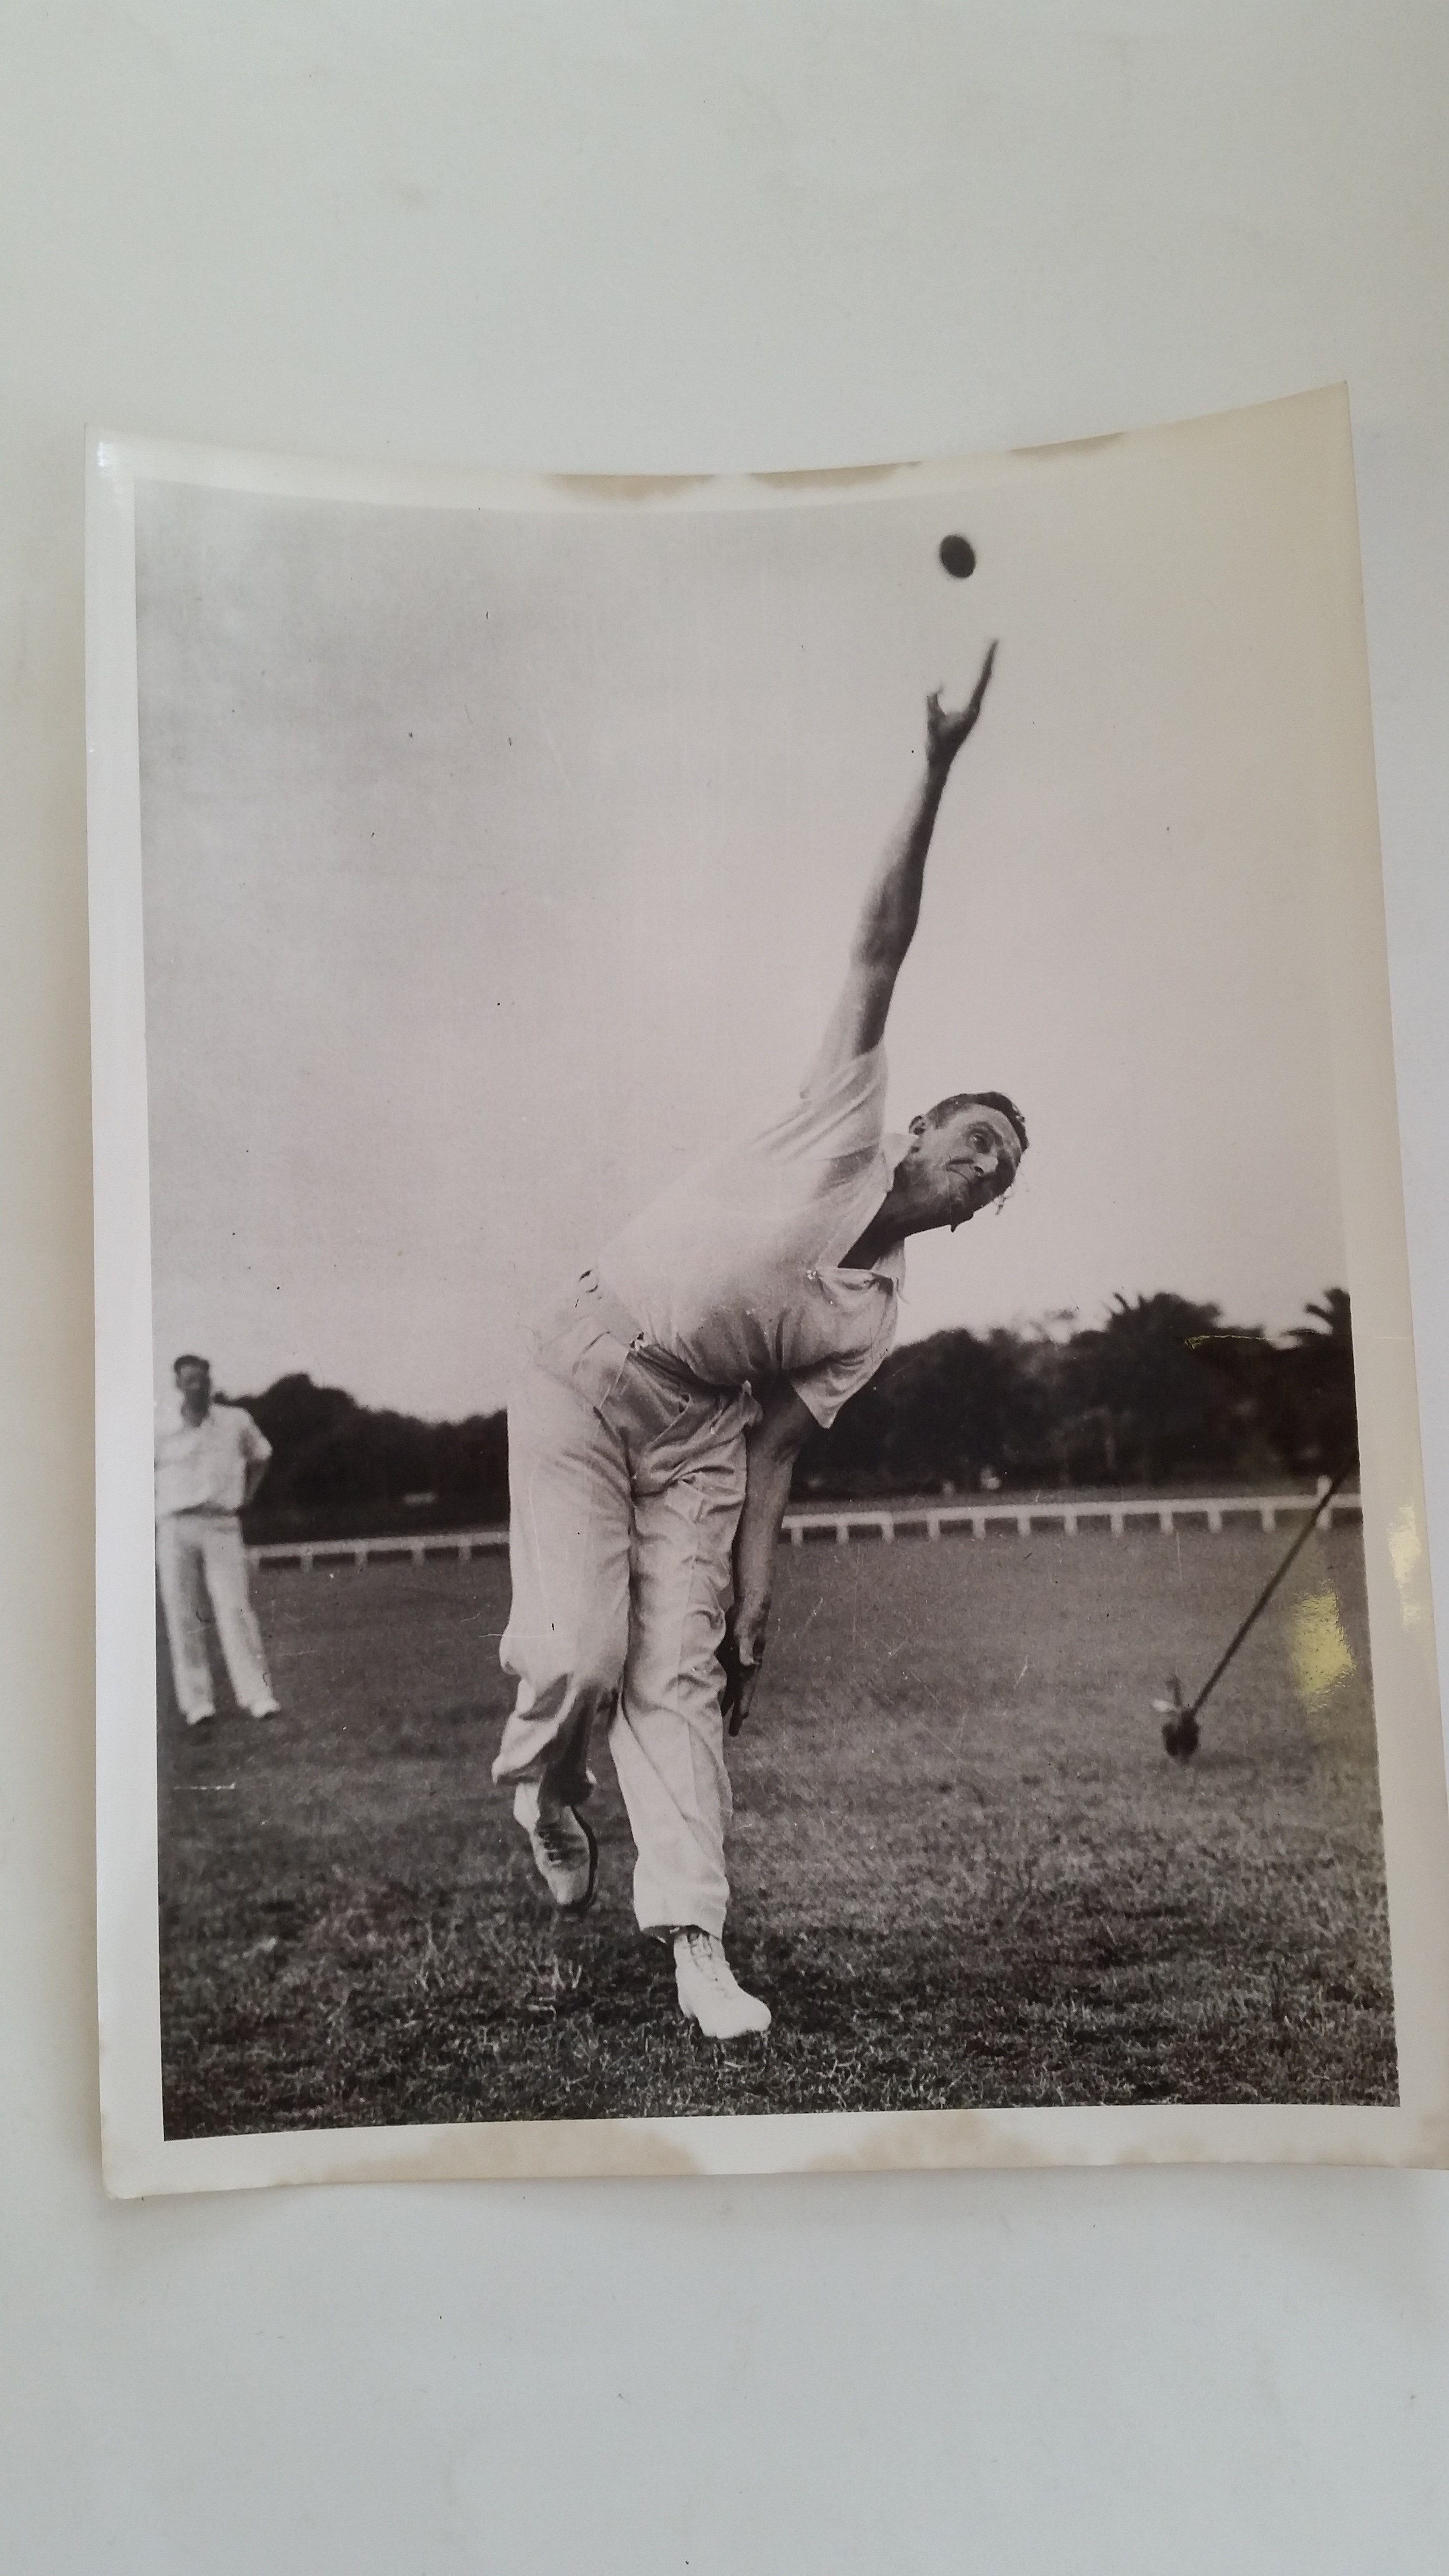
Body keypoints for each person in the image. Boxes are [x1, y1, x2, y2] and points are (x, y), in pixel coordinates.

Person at [494, 644, 1027, 2038]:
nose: (981, 1169)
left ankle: (695, 1952)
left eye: (999, 1176)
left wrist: (755, 1593)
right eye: (975, 1139)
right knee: (579, 1659)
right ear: (917, 1130)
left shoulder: (876, 1310)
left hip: (700, 1441)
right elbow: (878, 943)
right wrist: (935, 766)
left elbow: (779, 1451)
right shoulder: (840, 1116)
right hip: (580, 1364)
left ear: (973, 1217)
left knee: (677, 1679)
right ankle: (544, 1788)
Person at [154, 1353, 281, 1725]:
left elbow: (262, 1456)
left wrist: (249, 1496)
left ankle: (258, 1697)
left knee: (235, 1608)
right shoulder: (158, 1427)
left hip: (221, 1524)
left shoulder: (235, 1421)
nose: (198, 1387)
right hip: (175, 1526)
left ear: (211, 1382)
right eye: (190, 1380)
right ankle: (198, 1705)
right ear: (178, 1385)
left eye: (203, 1379)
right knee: (182, 1614)